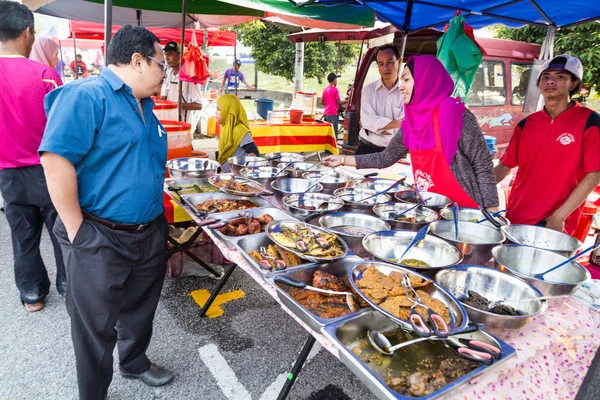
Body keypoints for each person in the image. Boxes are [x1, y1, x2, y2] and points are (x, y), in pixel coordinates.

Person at [39, 25, 173, 399]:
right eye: (162, 64)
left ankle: (134, 362)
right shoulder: (88, 96)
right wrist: (77, 230)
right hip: (100, 234)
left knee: (140, 308)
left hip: (148, 230)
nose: (166, 72)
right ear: (137, 60)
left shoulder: (145, 106)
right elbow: (55, 160)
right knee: (94, 324)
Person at [323, 55, 498, 209]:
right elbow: (385, 157)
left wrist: (491, 212)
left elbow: (483, 165)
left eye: (406, 80)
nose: (401, 86)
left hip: (465, 210)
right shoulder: (412, 122)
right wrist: (343, 160)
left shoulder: (456, 115)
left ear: (425, 80)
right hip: (431, 208)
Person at [0, 1, 65, 312]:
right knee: (61, 232)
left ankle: (32, 296)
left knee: (23, 237)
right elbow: (66, 129)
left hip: (9, 174)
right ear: (27, 32)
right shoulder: (45, 75)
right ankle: (68, 287)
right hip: (48, 169)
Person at [495, 55, 600, 233]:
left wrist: (559, 216)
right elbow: (505, 165)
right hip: (517, 216)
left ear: (573, 84)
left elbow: (594, 174)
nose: (550, 81)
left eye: (560, 77)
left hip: (555, 223)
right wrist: (476, 190)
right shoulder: (527, 124)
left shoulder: (589, 122)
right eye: (546, 77)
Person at [356, 44, 405, 155]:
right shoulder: (368, 90)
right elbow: (367, 121)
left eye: (390, 62)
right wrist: (396, 124)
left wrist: (376, 128)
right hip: (367, 148)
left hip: (394, 152)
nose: (385, 68)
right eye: (381, 64)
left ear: (399, 61)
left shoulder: (407, 91)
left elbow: (406, 124)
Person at [160, 41, 203, 131]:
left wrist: (179, 105)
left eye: (170, 54)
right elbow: (164, 97)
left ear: (179, 56)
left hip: (184, 125)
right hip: (170, 123)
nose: (167, 58)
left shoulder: (190, 77)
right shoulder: (169, 74)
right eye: (166, 54)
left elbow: (198, 105)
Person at [216, 94, 259, 172]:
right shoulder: (225, 128)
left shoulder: (240, 130)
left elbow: (254, 153)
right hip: (227, 174)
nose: (215, 112)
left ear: (228, 112)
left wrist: (244, 171)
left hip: (238, 176)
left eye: (218, 109)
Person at [322, 72, 347, 137]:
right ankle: (334, 147)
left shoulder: (325, 89)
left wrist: (329, 102)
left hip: (326, 114)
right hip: (333, 114)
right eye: (336, 79)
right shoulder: (335, 89)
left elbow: (321, 102)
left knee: (327, 134)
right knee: (334, 134)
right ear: (334, 80)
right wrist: (347, 100)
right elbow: (338, 102)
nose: (337, 81)